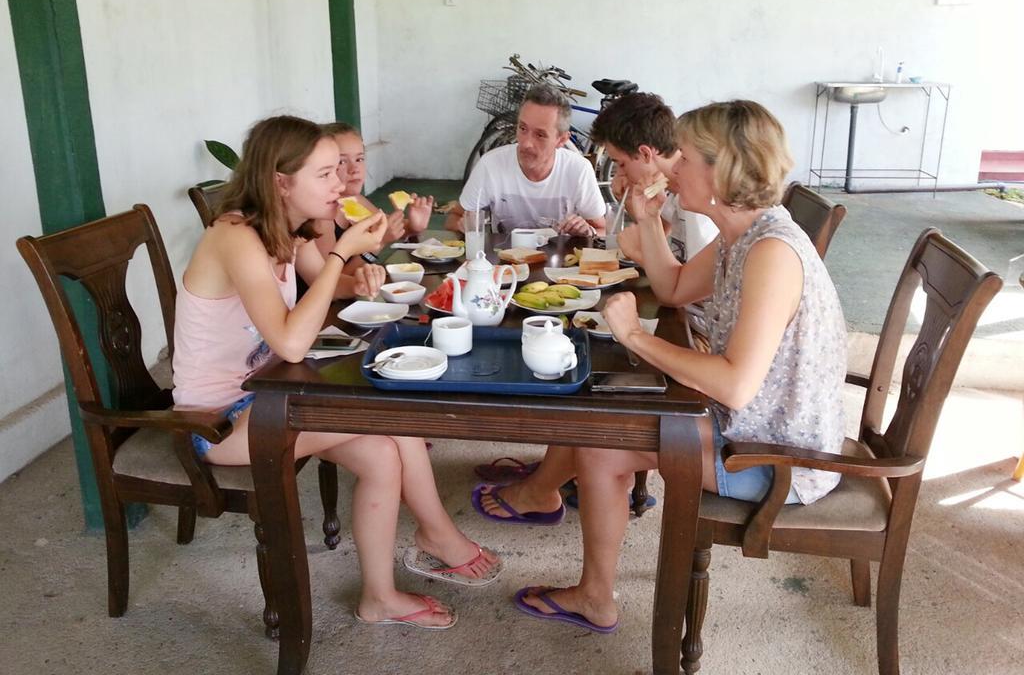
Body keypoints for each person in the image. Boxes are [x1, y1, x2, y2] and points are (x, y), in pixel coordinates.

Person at [479, 101, 847, 632]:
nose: (671, 169)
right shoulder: (742, 234)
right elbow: (673, 286)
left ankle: (595, 596)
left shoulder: (771, 251)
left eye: (686, 159)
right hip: (743, 422)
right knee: (600, 417)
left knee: (602, 445)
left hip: (774, 452)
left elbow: (736, 384)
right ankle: (581, 566)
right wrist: (648, 221)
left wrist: (632, 335)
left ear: (722, 171)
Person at [173, 115, 500, 630]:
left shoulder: (286, 228)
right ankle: (438, 535)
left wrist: (357, 274)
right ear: (281, 182)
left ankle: (380, 597)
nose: (341, 183)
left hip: (271, 395)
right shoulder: (235, 235)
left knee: (382, 454)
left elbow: (332, 286)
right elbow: (289, 339)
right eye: (325, 174)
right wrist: (340, 255)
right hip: (215, 422)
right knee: (393, 410)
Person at [445, 84, 606, 236]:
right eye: (522, 128)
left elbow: (603, 230)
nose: (526, 144)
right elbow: (454, 219)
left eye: (540, 135)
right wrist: (463, 226)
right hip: (504, 262)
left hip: (561, 262)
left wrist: (587, 232)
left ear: (561, 140)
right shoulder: (491, 165)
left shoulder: (578, 169)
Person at [590, 92, 718, 261]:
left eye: (621, 164)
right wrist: (633, 204)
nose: (619, 175)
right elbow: (661, 235)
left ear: (645, 153)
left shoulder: (696, 201)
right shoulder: (673, 191)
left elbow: (693, 283)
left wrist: (638, 256)